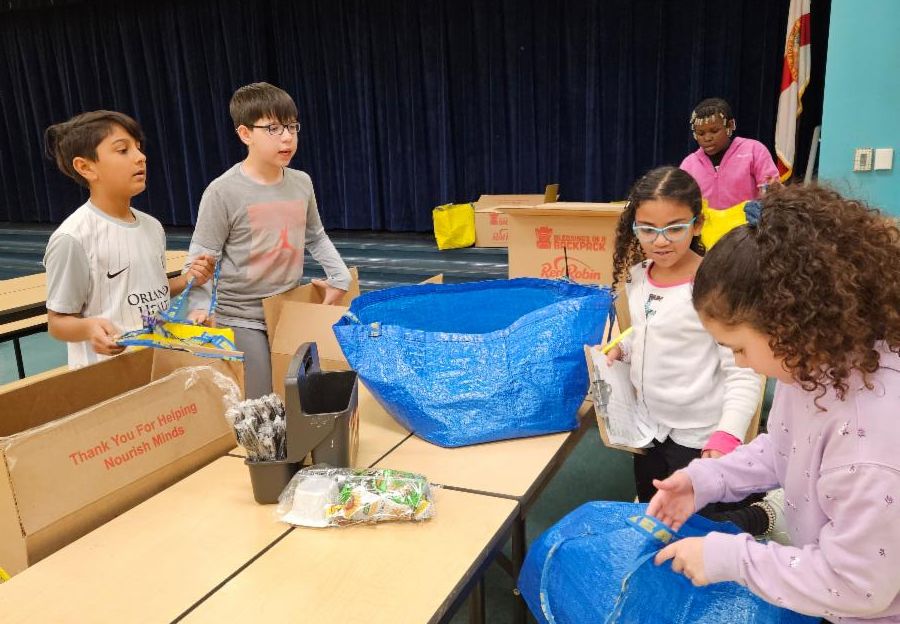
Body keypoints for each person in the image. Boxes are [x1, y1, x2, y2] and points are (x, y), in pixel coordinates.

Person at [652, 186, 900, 623]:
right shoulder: (812, 360)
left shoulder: (870, 441)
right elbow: (786, 445)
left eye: (738, 348)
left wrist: (728, 558)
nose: (737, 361)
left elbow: (859, 585)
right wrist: (706, 478)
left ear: (786, 323)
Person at [185, 82, 351, 398]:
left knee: (299, 396)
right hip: (241, 315)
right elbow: (202, 255)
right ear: (245, 134)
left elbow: (315, 236)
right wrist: (199, 305)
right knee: (260, 400)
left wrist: (339, 276)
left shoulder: (302, 183)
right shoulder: (222, 191)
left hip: (288, 309)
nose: (287, 137)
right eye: (273, 128)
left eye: (291, 126)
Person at [607, 166, 761, 503]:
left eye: (675, 228)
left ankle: (759, 513)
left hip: (697, 435)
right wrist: (624, 350)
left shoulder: (712, 286)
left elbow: (743, 370)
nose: (660, 241)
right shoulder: (637, 277)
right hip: (647, 428)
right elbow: (644, 331)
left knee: (695, 521)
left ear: (698, 224)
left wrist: (727, 434)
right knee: (652, 507)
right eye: (647, 230)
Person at [43, 110, 214, 368]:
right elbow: (57, 323)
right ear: (86, 167)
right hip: (107, 375)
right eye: (123, 150)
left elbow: (147, 292)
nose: (141, 157)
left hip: (160, 364)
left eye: (138, 147)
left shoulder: (153, 227)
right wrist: (89, 328)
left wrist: (188, 280)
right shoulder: (73, 238)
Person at [680, 97, 780, 248]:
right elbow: (681, 203)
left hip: (747, 236)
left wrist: (773, 191)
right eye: (701, 133)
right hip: (705, 242)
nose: (707, 138)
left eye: (714, 130)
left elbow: (772, 191)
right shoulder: (689, 164)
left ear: (730, 125)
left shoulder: (753, 150)